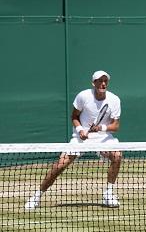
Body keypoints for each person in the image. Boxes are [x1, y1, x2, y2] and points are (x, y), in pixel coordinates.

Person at [25, 70, 122, 210]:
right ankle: (36, 196)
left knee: (117, 156)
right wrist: (80, 130)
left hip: (102, 138)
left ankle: (108, 194)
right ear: (93, 83)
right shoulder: (83, 96)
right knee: (59, 166)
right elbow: (74, 117)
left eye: (105, 80)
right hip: (80, 138)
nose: (103, 83)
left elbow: (115, 126)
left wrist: (100, 128)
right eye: (99, 81)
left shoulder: (114, 100)